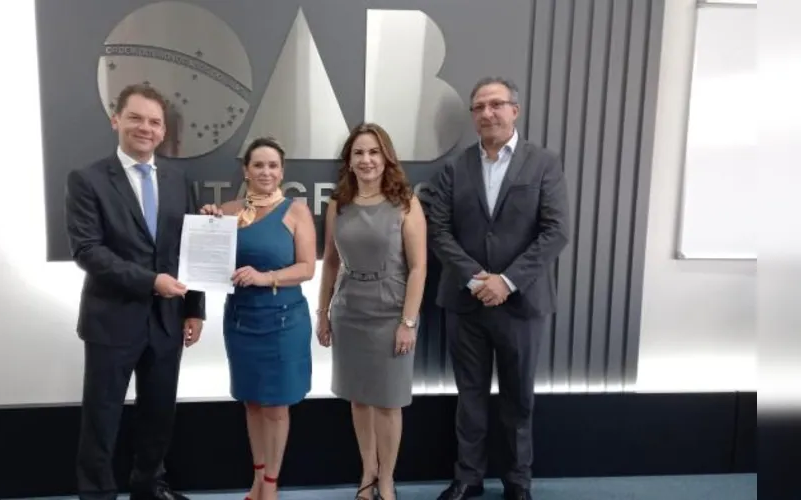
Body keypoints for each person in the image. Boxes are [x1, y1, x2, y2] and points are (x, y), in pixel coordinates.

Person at [422, 77, 570, 500]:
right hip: (464, 302)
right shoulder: (455, 167)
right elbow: (440, 230)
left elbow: (556, 231)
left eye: (496, 105)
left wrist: (505, 281)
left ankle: (517, 480)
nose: (487, 113)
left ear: (514, 111)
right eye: (479, 107)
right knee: (469, 397)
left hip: (522, 302)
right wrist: (476, 278)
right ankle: (468, 477)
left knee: (518, 398)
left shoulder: (544, 163)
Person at [65, 83, 205, 500]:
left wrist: (194, 308)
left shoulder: (181, 181)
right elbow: (88, 251)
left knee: (159, 413)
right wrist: (150, 282)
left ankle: (149, 485)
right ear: (116, 120)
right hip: (112, 318)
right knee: (102, 416)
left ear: (164, 131)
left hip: (167, 321)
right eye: (136, 118)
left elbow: (189, 250)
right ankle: (97, 493)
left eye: (155, 122)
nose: (146, 128)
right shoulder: (87, 179)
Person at [199, 137, 316, 500]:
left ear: (282, 171)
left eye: (273, 165)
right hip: (240, 320)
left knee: (277, 406)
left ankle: (271, 486)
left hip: (284, 321)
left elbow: (308, 268)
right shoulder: (227, 211)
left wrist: (265, 278)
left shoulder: (297, 210)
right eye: (258, 165)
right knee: (251, 401)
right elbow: (209, 263)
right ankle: (257, 478)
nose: (266, 172)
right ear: (245, 170)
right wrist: (205, 227)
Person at [316, 123, 428, 500]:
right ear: (349, 160)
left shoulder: (407, 203)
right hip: (349, 311)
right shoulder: (338, 203)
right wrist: (322, 312)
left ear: (386, 157)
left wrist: (407, 322)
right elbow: (330, 262)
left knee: (388, 401)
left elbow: (418, 268)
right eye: (359, 153)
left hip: (391, 312)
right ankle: (367, 470)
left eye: (374, 152)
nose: (366, 160)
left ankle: (387, 478)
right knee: (359, 398)